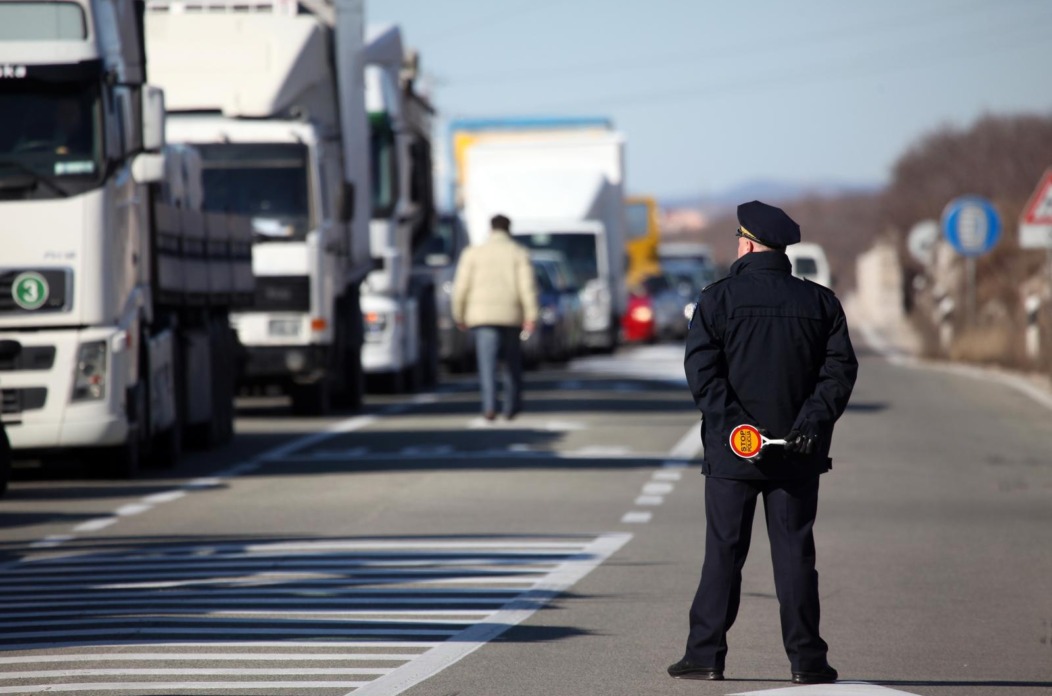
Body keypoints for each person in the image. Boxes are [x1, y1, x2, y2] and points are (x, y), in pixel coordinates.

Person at [668, 201, 858, 684]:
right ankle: (807, 661)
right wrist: (810, 423)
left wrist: (736, 427)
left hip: (734, 453)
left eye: (738, 239)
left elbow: (701, 373)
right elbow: (839, 373)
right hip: (798, 451)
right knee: (795, 554)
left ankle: (705, 655)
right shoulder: (820, 303)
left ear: (748, 243)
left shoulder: (718, 300)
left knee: (724, 552)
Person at [452, 214, 538, 420]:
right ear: (509, 230)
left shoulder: (473, 253)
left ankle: (489, 406)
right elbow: (527, 288)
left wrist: (459, 314)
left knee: (487, 365)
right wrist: (531, 315)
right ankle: (511, 407)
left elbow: (461, 287)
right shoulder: (518, 253)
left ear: (491, 229)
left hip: (482, 317)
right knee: (511, 364)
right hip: (511, 316)